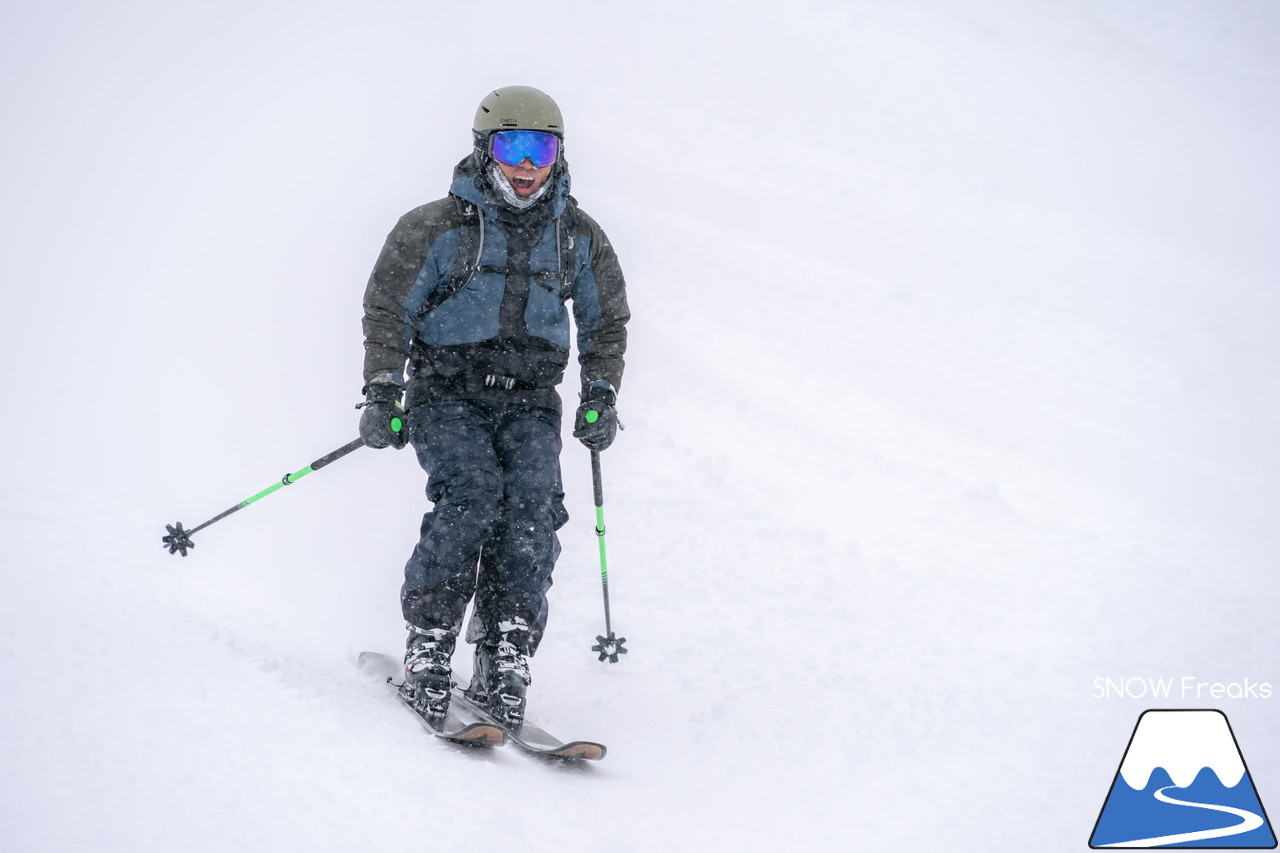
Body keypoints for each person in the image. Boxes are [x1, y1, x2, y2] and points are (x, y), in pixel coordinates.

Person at [358, 86, 630, 725]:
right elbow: (387, 309)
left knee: (533, 506)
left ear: (560, 154)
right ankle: (430, 642)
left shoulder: (577, 236)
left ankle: (506, 648)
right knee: (474, 494)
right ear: (486, 150)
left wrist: (600, 393)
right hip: (446, 392)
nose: (528, 164)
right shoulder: (435, 226)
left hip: (531, 400)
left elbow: (606, 321)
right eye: (513, 146)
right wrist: (382, 391)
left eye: (543, 147)